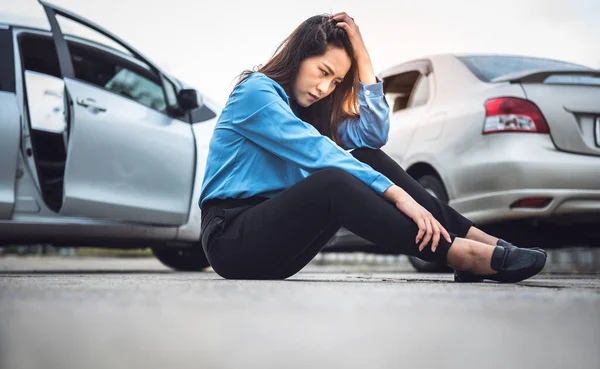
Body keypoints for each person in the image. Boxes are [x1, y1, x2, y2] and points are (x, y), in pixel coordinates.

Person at [198, 13, 546, 282]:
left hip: (278, 241)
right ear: (300, 55)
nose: (324, 87)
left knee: (367, 158)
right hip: (232, 238)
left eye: (334, 82)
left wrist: (363, 58)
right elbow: (316, 151)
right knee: (332, 180)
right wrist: (397, 194)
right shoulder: (256, 93)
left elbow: (371, 136)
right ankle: (458, 254)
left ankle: (481, 240)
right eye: (322, 71)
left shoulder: (306, 112)